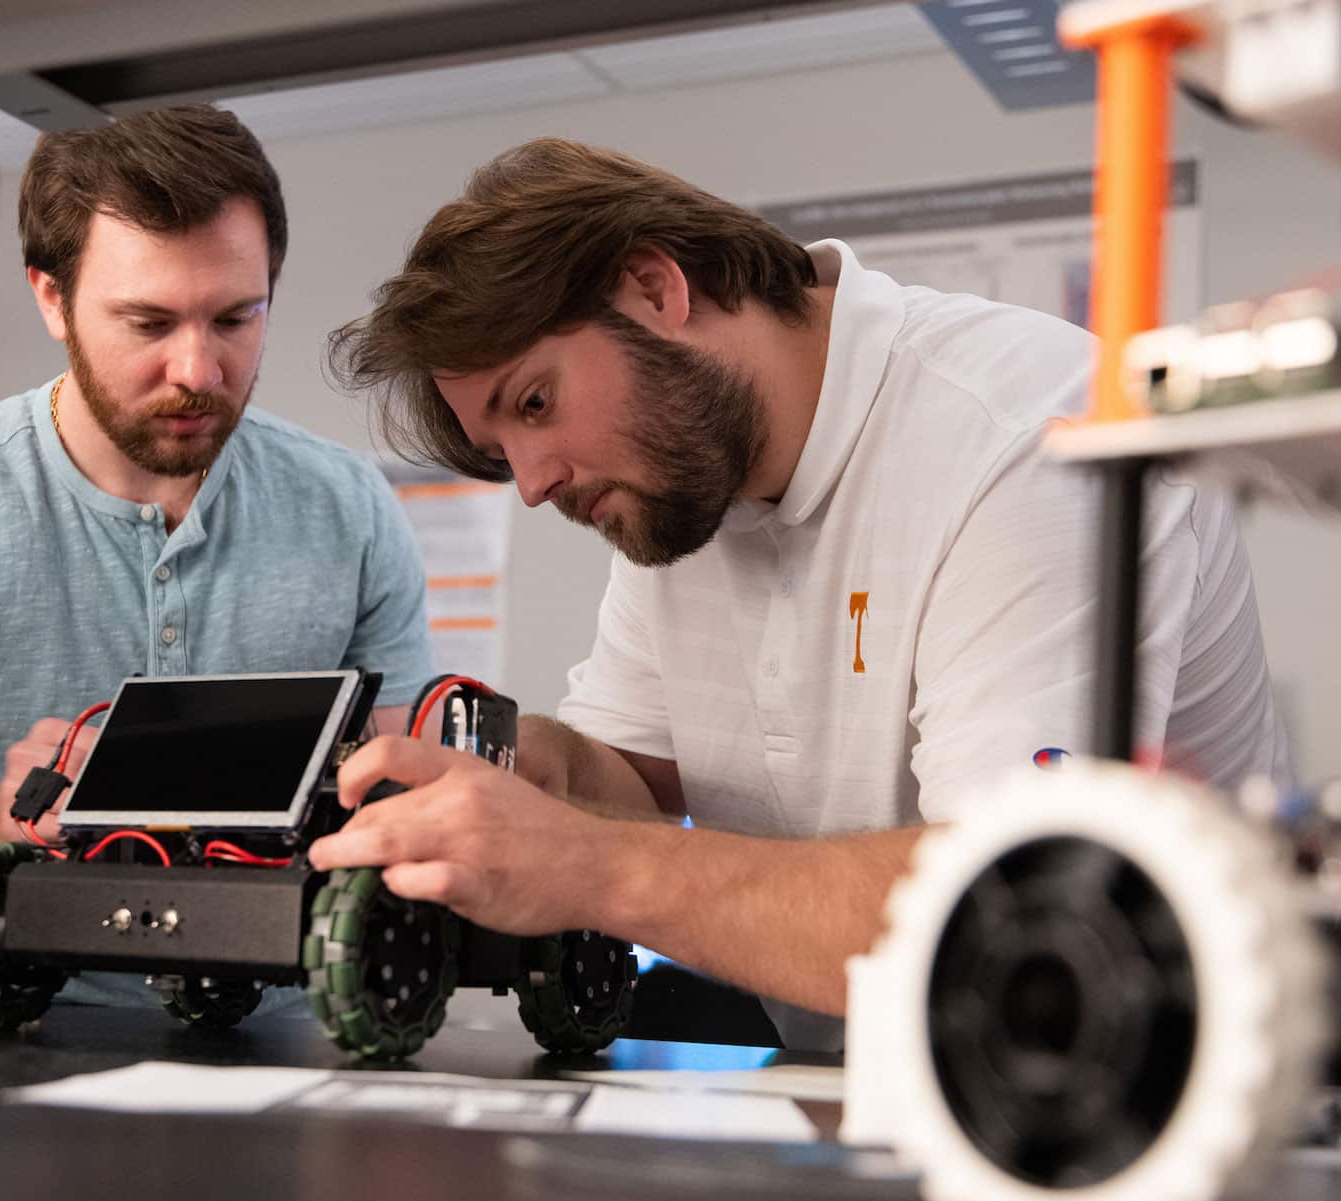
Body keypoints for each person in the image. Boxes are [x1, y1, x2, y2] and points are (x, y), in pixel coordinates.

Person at [318, 138, 1287, 1048]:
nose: (532, 481)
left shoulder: (1031, 434)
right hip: (877, 1089)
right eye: (501, 452)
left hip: (1151, 1095)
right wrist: (544, 770)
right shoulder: (687, 491)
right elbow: (636, 783)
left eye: (533, 404)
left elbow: (1014, 909)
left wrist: (585, 863)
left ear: (656, 289)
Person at [0, 106, 436, 1002]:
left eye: (236, 317)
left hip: (271, 1058)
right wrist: (1, 821)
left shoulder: (351, 512)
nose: (198, 369)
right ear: (51, 297)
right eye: (149, 324)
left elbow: (403, 813)